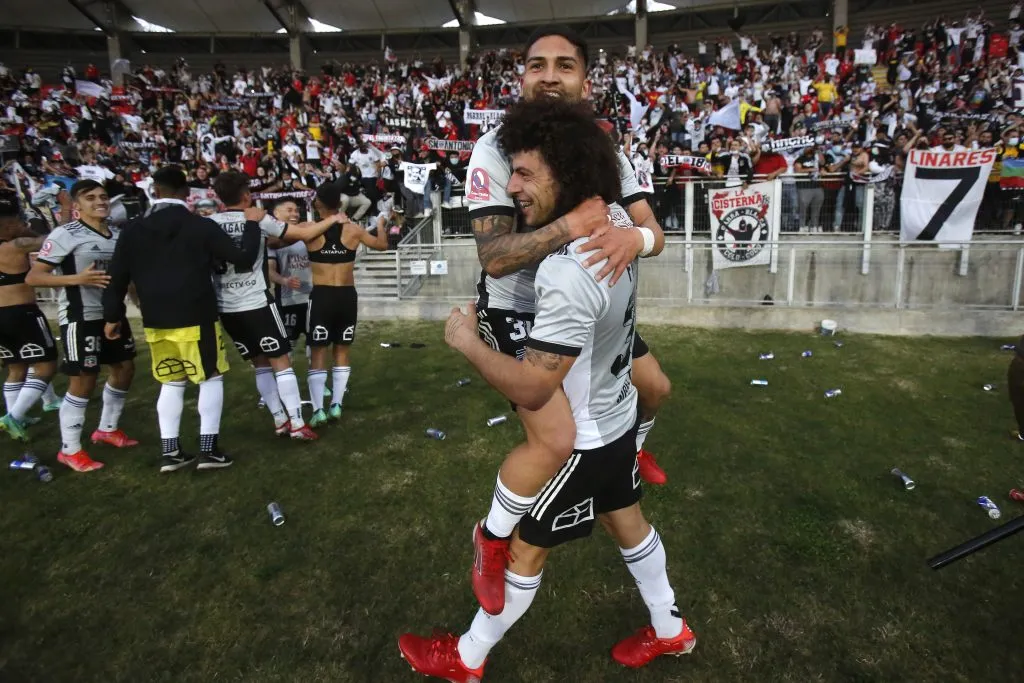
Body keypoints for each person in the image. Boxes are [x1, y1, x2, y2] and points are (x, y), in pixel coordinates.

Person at [399, 98, 695, 680]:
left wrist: (465, 340)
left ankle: (465, 658)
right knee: (629, 526)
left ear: (568, 173)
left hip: (584, 440)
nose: (511, 185)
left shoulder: (567, 269)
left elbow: (535, 389)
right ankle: (672, 631)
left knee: (526, 554)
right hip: (618, 420)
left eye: (527, 173)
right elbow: (645, 241)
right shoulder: (617, 230)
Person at [464, 25, 673, 618]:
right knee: (557, 439)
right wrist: (571, 227)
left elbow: (655, 232)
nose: (549, 76)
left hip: (591, 307)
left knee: (655, 388)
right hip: (518, 313)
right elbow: (496, 255)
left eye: (564, 65)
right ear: (522, 76)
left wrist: (634, 236)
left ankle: (627, 453)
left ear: (585, 79)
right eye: (536, 65)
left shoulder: (609, 150)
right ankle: (492, 537)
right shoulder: (493, 149)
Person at [101, 165, 263, 472]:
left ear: (155, 190)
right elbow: (243, 259)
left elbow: (117, 276)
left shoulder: (132, 229)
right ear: (187, 192)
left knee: (172, 381)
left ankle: (171, 452)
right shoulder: (198, 225)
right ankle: (208, 450)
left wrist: (112, 316)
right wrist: (252, 224)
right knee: (210, 376)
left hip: (156, 319)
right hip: (196, 314)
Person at [209, 171, 343, 440]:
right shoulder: (257, 219)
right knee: (281, 361)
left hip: (226, 307)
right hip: (257, 302)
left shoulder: (208, 224)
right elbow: (297, 233)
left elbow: (282, 240)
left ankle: (280, 419)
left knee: (260, 364)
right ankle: (297, 424)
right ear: (246, 195)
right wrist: (332, 219)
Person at [25, 179, 137, 472]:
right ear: (76, 205)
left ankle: (107, 429)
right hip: (80, 316)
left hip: (112, 314)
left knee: (125, 369)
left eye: (102, 196)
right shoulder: (65, 234)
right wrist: (77, 279)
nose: (99, 201)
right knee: (84, 378)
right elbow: (34, 277)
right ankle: (70, 449)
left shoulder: (118, 236)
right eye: (90, 197)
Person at [305, 181, 389, 427]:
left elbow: (281, 238)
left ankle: (318, 409)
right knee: (342, 349)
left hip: (321, 296)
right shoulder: (352, 229)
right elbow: (382, 245)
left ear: (317, 203)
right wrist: (381, 225)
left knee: (318, 351)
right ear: (340, 203)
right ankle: (337, 405)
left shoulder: (309, 229)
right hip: (346, 295)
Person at [0, 189, 60, 441]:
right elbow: (53, 240)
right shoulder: (17, 244)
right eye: (17, 221)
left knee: (16, 368)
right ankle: (13, 416)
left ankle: (17, 418)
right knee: (46, 366)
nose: (21, 223)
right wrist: (30, 231)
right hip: (22, 313)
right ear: (8, 224)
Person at [266, 198, 327, 401]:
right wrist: (283, 280)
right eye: (289, 210)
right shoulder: (270, 240)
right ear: (276, 214)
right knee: (286, 348)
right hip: (287, 301)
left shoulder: (307, 234)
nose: (295, 213)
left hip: (313, 297)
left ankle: (318, 385)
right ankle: (282, 389)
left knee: (316, 345)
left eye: (297, 210)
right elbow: (270, 271)